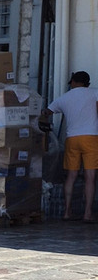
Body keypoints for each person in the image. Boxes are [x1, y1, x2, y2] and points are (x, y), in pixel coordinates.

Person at [42, 70, 98, 222]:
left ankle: (67, 212)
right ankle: (87, 214)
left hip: (72, 139)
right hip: (91, 138)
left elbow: (46, 112)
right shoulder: (94, 93)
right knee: (90, 177)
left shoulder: (64, 97)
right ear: (88, 84)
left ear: (73, 82)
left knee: (71, 176)